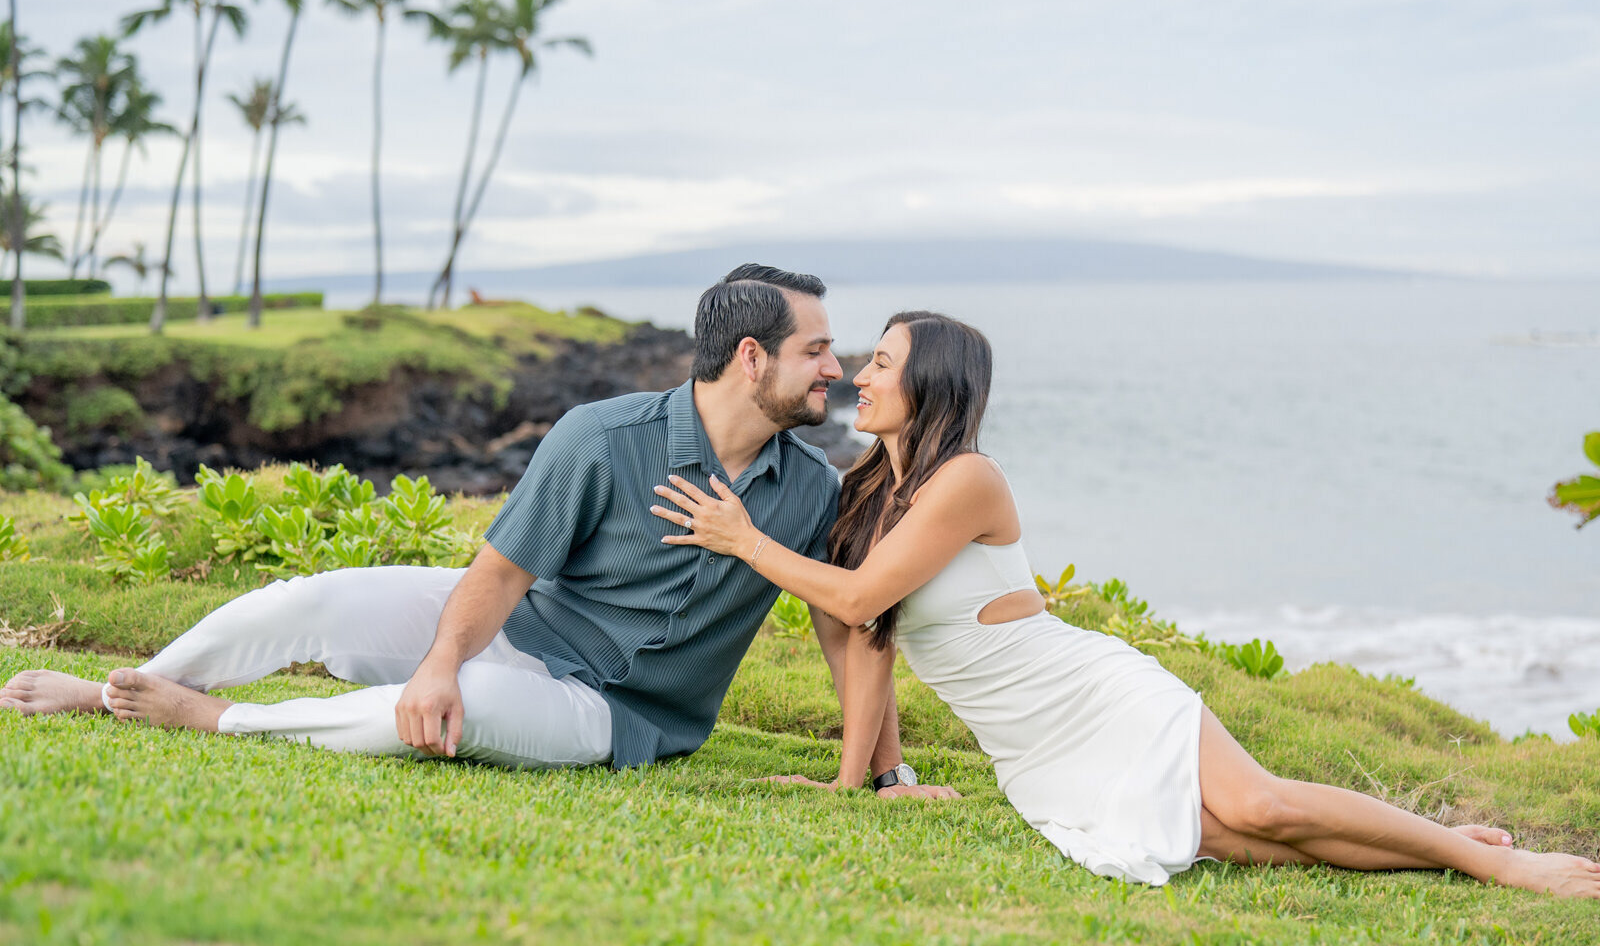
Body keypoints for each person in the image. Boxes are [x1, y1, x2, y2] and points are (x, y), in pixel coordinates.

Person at [651, 310, 1600, 897]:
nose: (859, 374)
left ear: (931, 381)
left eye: (884, 362)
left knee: (1261, 803)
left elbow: (857, 595)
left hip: (1093, 693)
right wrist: (859, 784)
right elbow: (863, 639)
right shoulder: (864, 499)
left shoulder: (968, 480)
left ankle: (1500, 864)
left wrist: (745, 539)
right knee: (1236, 842)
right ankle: (1443, 848)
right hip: (1031, 750)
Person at [1, 266, 925, 788]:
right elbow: (502, 573)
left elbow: (847, 631)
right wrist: (441, 657)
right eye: (816, 350)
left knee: (459, 715)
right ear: (752, 355)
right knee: (317, 597)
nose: (836, 372)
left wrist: (885, 775)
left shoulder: (811, 489)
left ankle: (220, 720)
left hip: (624, 714)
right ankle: (127, 687)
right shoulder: (603, 437)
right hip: (523, 628)